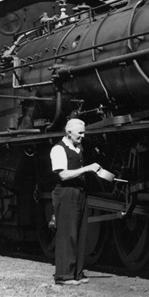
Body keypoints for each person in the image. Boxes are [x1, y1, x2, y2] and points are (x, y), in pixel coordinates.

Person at [50, 118, 100, 285]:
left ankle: (77, 273)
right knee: (67, 233)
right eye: (80, 133)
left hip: (79, 191)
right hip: (66, 192)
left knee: (80, 232)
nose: (83, 136)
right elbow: (63, 174)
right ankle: (63, 276)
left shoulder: (78, 147)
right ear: (69, 132)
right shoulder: (58, 149)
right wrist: (87, 169)